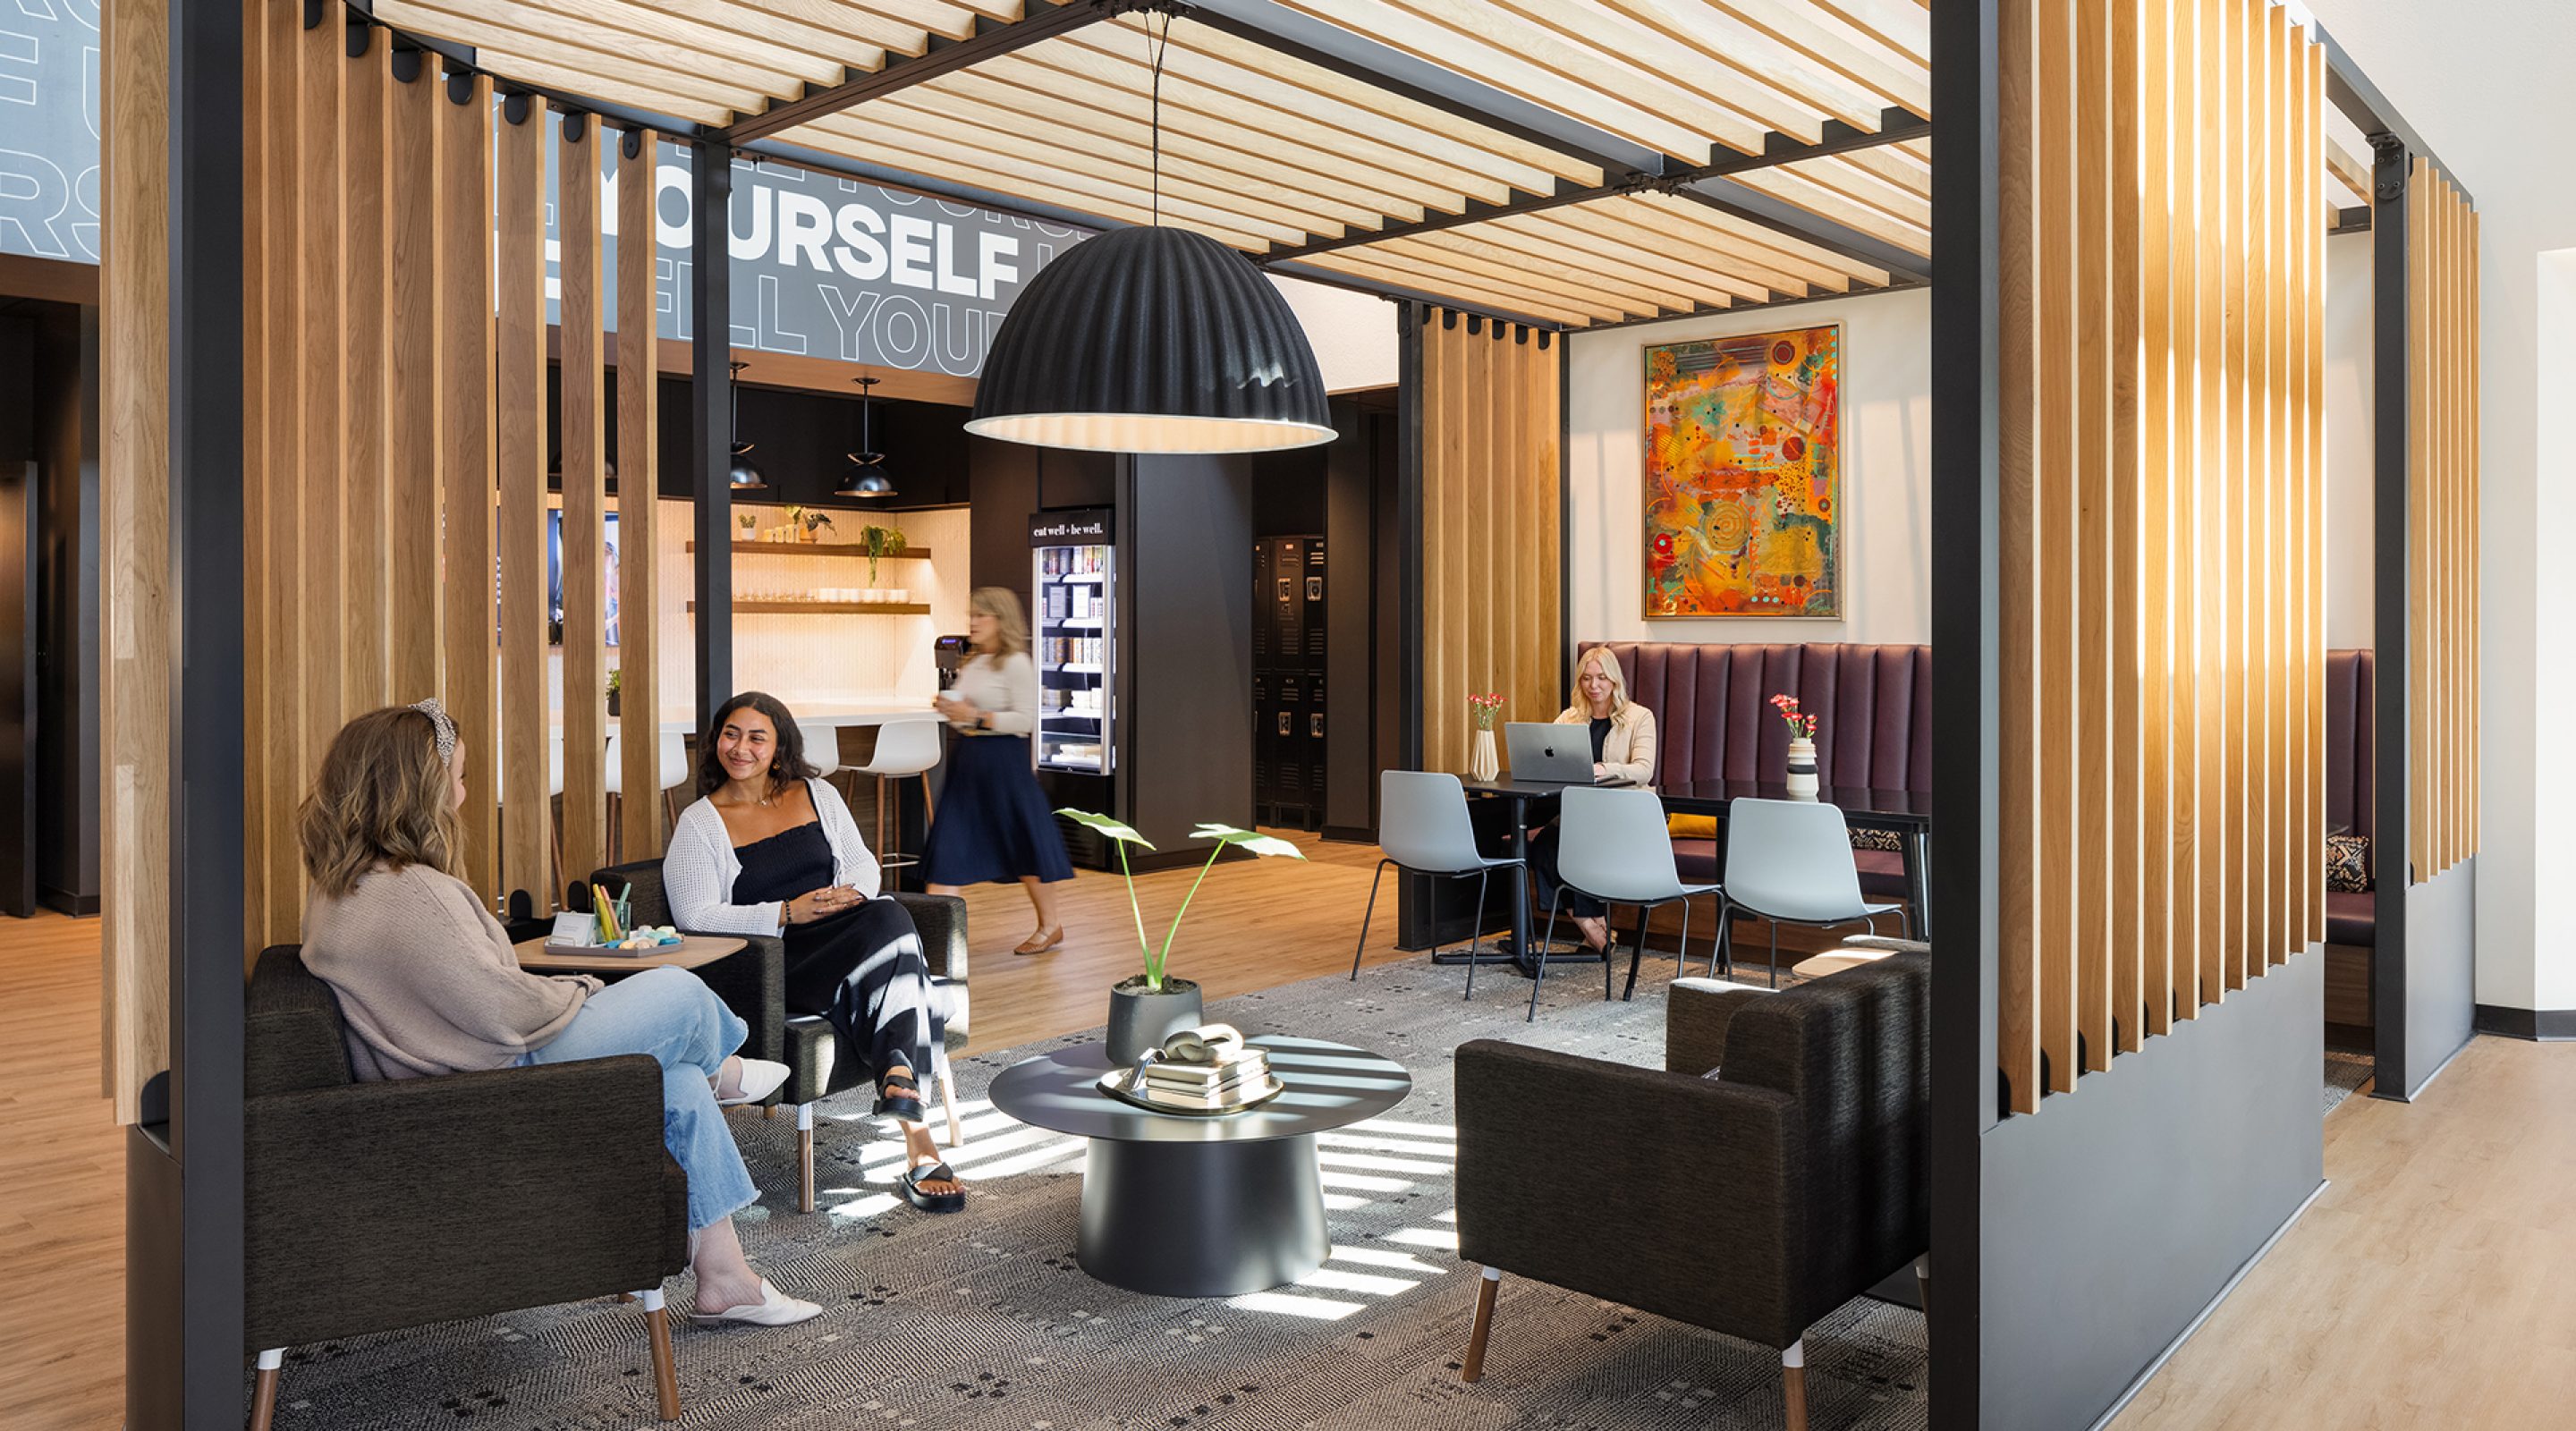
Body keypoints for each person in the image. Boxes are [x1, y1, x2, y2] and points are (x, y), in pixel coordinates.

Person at [296, 701, 821, 1327]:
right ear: (418, 789)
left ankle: (726, 1277)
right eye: (458, 777)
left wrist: (574, 994)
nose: (464, 793)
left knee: (676, 1083)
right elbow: (500, 1005)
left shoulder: (350, 883)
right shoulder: (412, 893)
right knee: (678, 989)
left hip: (466, 1074)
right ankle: (726, 1070)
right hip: (499, 1073)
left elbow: (480, 995)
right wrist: (580, 989)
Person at [661, 691, 965, 1213]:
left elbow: (863, 866)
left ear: (779, 747)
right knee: (895, 937)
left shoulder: (817, 793)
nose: (741, 748)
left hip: (842, 936)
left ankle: (904, 1093)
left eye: (758, 737)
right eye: (731, 734)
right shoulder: (701, 820)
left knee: (885, 914)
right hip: (777, 960)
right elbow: (693, 914)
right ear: (715, 744)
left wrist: (846, 896)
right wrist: (785, 912)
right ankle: (917, 1133)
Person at [919, 586, 1074, 955]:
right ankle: (936, 942)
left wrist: (975, 715)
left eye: (980, 615)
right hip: (969, 762)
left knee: (1023, 844)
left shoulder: (1016, 663)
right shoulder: (973, 663)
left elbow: (1026, 719)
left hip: (1004, 764)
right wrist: (954, 711)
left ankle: (1050, 926)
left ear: (1000, 621)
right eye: (971, 614)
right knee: (947, 849)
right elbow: (968, 715)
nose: (972, 622)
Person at [1525, 648, 1659, 956]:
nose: (1593, 685)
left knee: (1557, 841)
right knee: (1546, 844)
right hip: (1577, 810)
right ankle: (1594, 929)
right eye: (1586, 678)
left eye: (1601, 678)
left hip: (1624, 810)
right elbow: (1548, 759)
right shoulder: (1569, 718)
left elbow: (1644, 770)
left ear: (1614, 680)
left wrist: (1604, 769)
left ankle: (1594, 932)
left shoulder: (1640, 717)